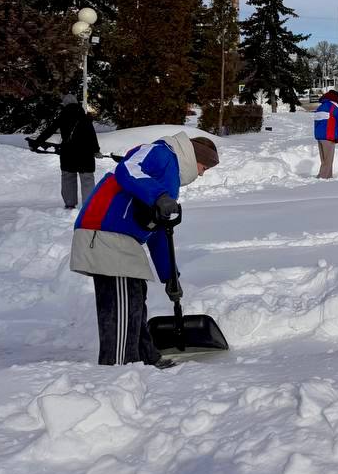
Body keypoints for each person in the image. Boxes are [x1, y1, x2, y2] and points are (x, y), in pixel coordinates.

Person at [70, 132, 219, 366]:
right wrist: (158, 196)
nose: (201, 173)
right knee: (121, 306)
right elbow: (128, 168)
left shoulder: (170, 179)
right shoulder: (162, 153)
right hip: (106, 230)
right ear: (194, 157)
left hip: (125, 238)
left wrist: (170, 275)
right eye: (204, 167)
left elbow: (160, 231)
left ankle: (144, 359)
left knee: (135, 299)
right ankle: (118, 368)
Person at [29, 94, 100, 209]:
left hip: (68, 153)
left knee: (68, 177)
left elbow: (49, 131)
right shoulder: (84, 117)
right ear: (77, 103)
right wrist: (96, 150)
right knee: (87, 179)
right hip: (85, 154)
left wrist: (36, 143)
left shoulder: (62, 116)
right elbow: (92, 135)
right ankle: (88, 206)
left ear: (65, 104)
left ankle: (70, 203)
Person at [313, 90, 338, 179]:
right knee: (328, 160)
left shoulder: (320, 107)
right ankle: (323, 178)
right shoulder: (332, 105)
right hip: (328, 136)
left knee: (324, 160)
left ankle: (327, 176)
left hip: (320, 136)